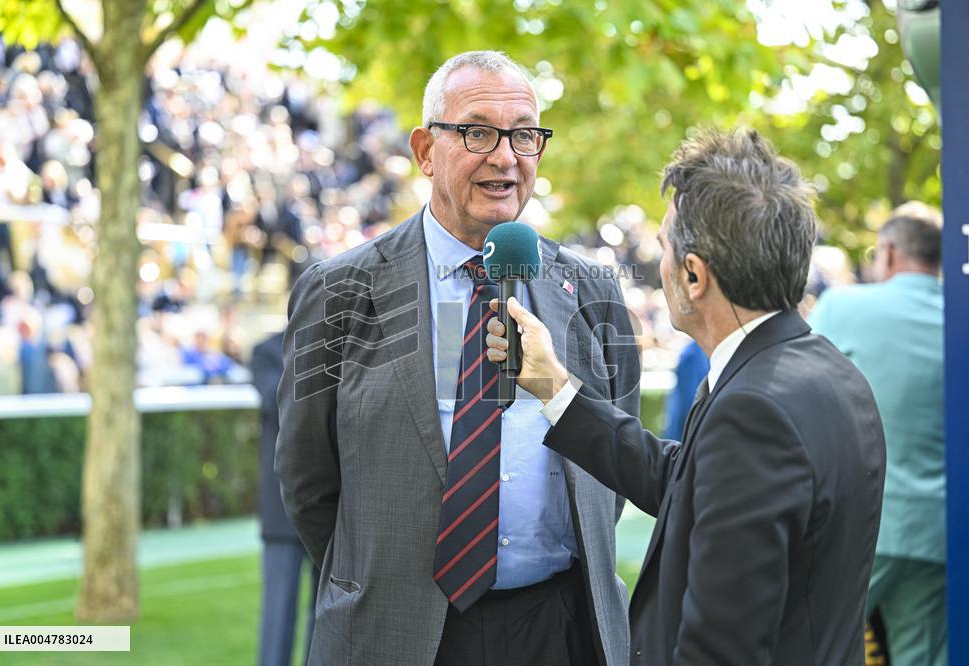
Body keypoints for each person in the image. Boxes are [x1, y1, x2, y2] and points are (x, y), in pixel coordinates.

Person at [275, 51, 639, 665]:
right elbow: (308, 480)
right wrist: (376, 579)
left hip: (561, 627)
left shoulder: (593, 289)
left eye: (524, 134)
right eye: (477, 132)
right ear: (424, 150)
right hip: (399, 632)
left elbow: (613, 452)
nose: (505, 156)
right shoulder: (338, 292)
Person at [485, 128, 886, 665]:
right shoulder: (822, 370)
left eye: (665, 248)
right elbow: (685, 483)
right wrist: (555, 388)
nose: (661, 262)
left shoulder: (753, 410)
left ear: (694, 275)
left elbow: (721, 646)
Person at [809, 203, 946, 666]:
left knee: (816, 647)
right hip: (935, 531)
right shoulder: (957, 319)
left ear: (888, 252)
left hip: (857, 524)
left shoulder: (845, 306)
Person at [251, 332, 318, 666]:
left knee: (325, 626)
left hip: (328, 509)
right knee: (277, 623)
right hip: (281, 512)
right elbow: (277, 401)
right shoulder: (265, 351)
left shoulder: (341, 344)